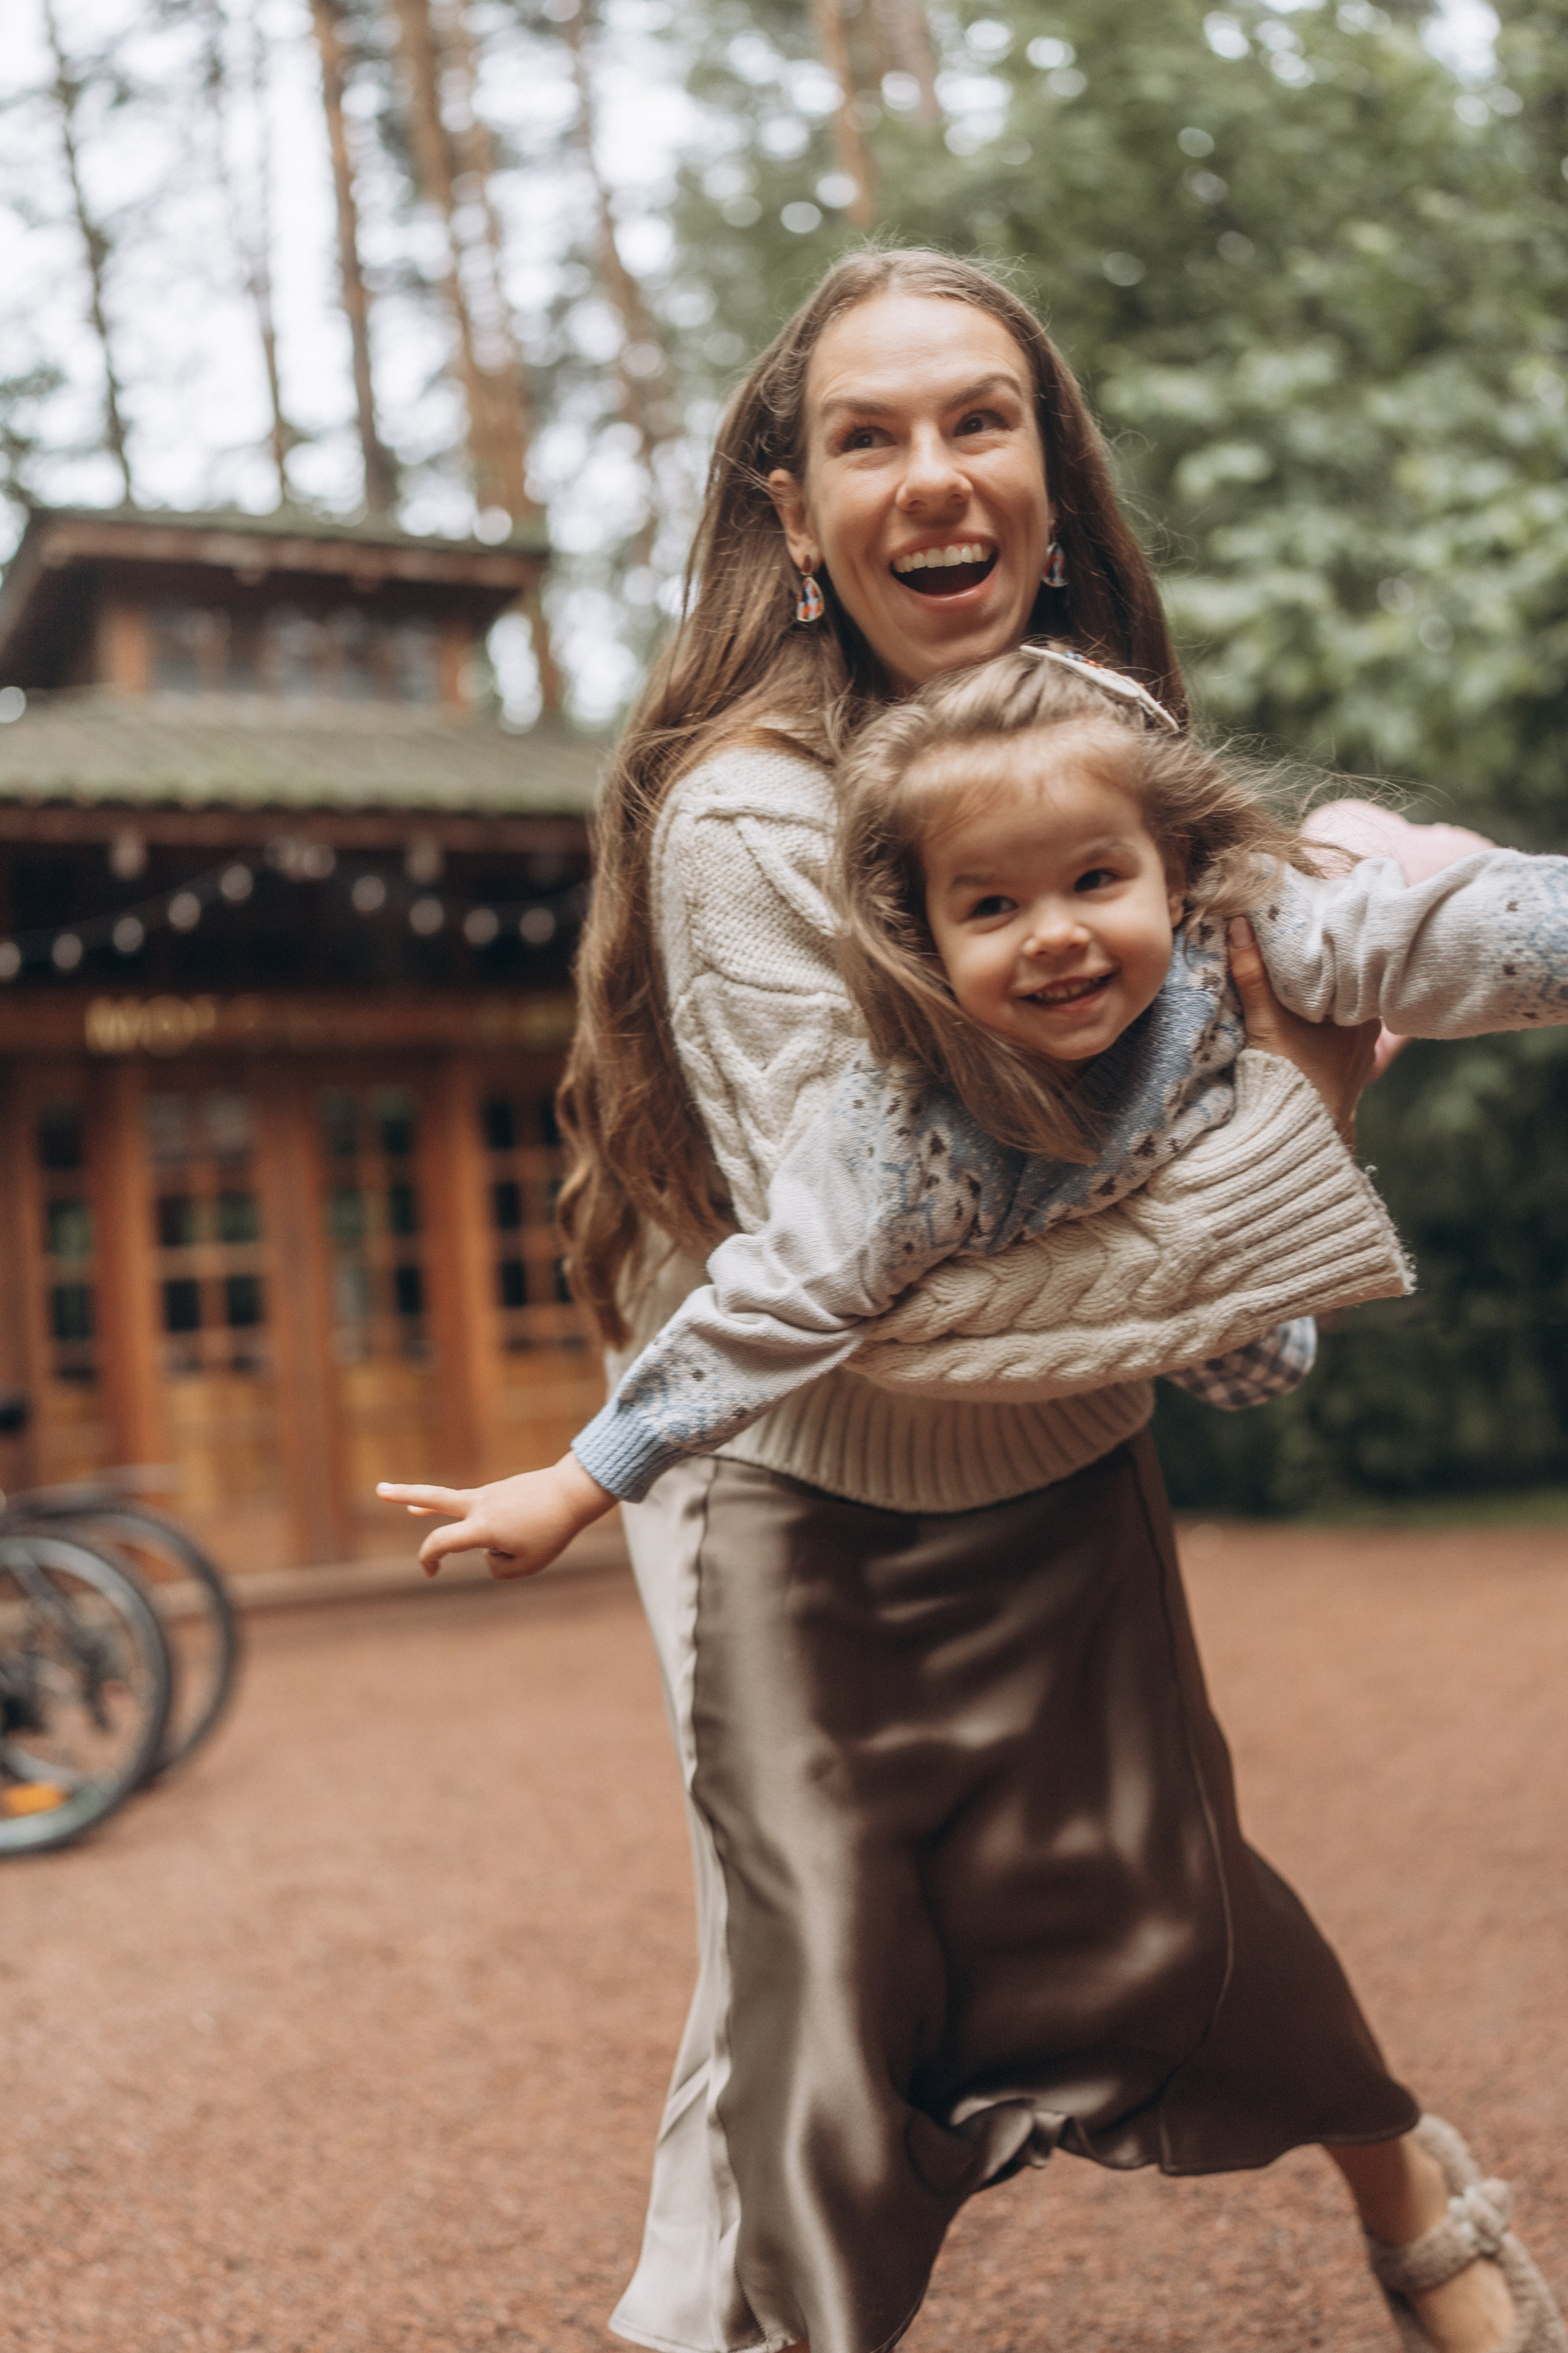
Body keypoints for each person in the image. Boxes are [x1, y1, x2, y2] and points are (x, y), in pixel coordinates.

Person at [380, 252, 1563, 2353]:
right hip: (780, 1454)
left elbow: (1345, 949)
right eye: (869, 433)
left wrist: (1433, 938)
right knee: (821, 1966)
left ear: (1050, 468)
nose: (934, 474)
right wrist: (1305, 1109)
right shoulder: (749, 812)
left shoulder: (1093, 735)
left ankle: (1395, 2162)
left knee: (1165, 1891)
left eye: (981, 420)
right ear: (790, 505)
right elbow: (878, 1295)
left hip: (1061, 1458)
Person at [403, 644, 1562, 1522]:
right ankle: (1365, 857)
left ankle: (1366, 851)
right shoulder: (914, 1137)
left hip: (1235, 1115)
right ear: (928, 941)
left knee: (1373, 929)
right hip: (1175, 1250)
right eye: (994, 907)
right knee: (1259, 1365)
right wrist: (578, 1481)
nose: (1053, 935)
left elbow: (1452, 943)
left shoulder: (1236, 931)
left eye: (1095, 879)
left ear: (1171, 877)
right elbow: (777, 1298)